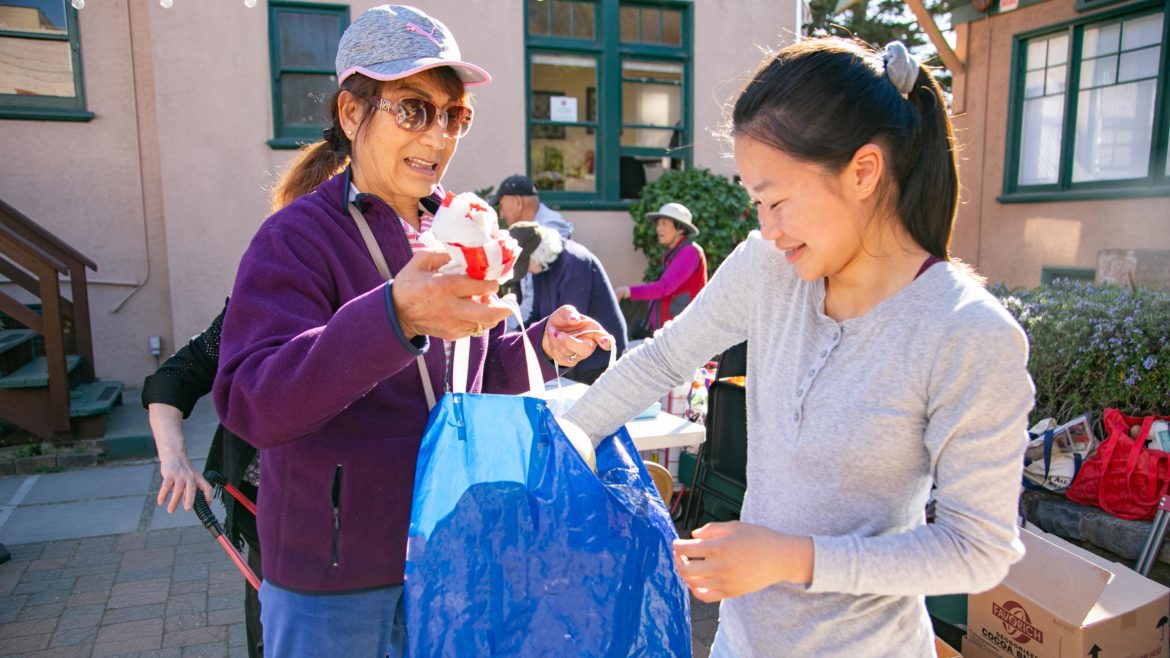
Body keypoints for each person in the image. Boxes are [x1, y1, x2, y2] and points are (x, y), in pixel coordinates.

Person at [563, 38, 1034, 656]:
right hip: (741, 641)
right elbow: (664, 357)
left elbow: (978, 550)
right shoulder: (769, 268)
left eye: (778, 201)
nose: (768, 229)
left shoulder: (966, 333)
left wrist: (792, 557)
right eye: (757, 203)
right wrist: (562, 442)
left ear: (864, 171)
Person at [211, 6, 608, 657]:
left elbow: (472, 375)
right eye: (413, 109)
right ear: (350, 114)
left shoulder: (461, 227)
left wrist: (541, 348)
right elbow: (252, 402)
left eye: (454, 115)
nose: (439, 135)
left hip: (451, 552)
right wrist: (392, 318)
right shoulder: (294, 239)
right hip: (333, 578)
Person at [141, 301, 263, 658]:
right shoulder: (252, 307)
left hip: (374, 510)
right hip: (268, 508)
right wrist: (174, 456)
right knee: (270, 630)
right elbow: (171, 380)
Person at [508, 222, 627, 384]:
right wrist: (513, 340)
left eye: (525, 264)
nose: (527, 271)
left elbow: (572, 325)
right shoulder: (542, 266)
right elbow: (536, 315)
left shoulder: (575, 262)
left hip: (597, 356)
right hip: (570, 351)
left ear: (539, 252)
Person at [614, 202, 707, 333]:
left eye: (665, 224)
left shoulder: (689, 252)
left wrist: (625, 291)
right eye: (658, 224)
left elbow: (663, 288)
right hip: (671, 332)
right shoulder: (673, 252)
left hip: (682, 333)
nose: (659, 229)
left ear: (680, 228)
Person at [491, 173, 574, 239]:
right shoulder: (534, 228)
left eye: (502, 206)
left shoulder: (548, 229)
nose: (501, 214)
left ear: (518, 202)